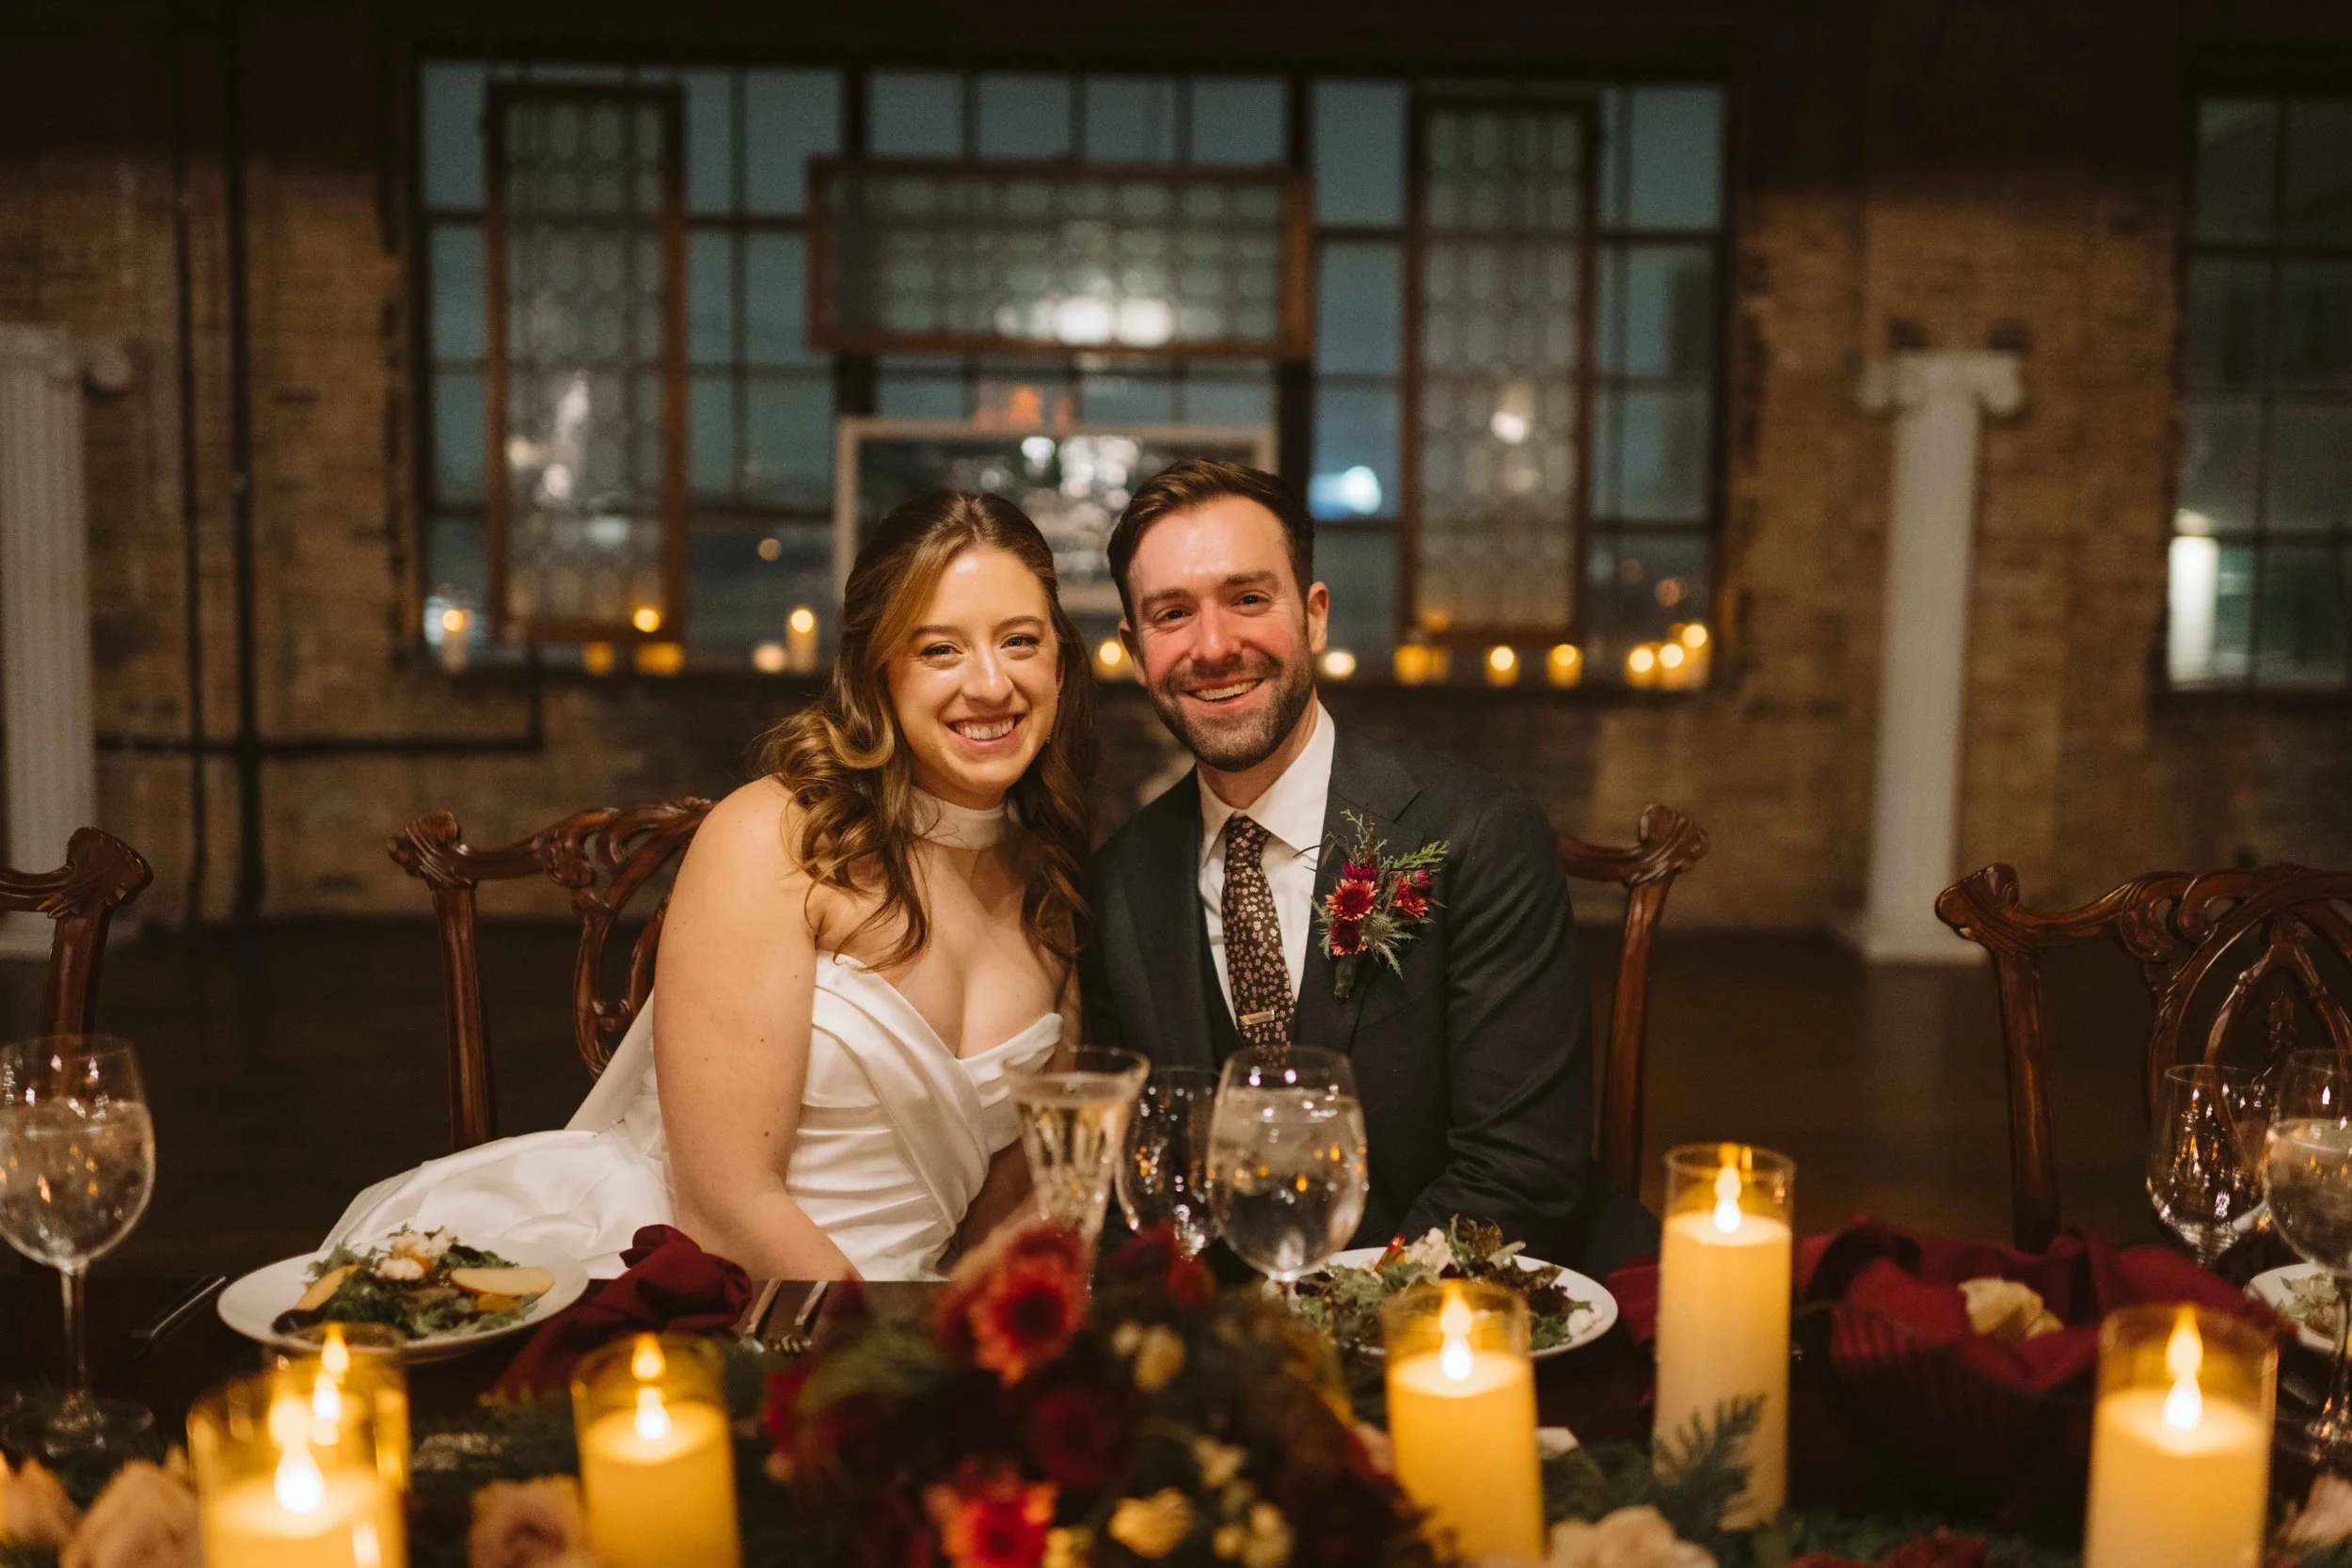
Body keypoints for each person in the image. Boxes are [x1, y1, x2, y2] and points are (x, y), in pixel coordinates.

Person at [326, 492, 1093, 1280]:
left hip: (916, 1328)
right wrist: (887, 1361)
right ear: (878, 672)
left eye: (1020, 641)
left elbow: (1002, 1215)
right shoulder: (776, 838)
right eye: (940, 649)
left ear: (1061, 666)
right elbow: (725, 1207)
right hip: (706, 1285)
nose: (993, 683)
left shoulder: (1056, 892)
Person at [1080, 458, 1657, 1273]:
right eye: (1172, 614)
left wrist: (1332, 1330)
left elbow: (1518, 1175)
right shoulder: (1116, 889)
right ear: (1136, 652)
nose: (1213, 647)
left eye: (1249, 598)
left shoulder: (1479, 836)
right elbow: (1128, 1192)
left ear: (1313, 615)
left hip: (1455, 1333)